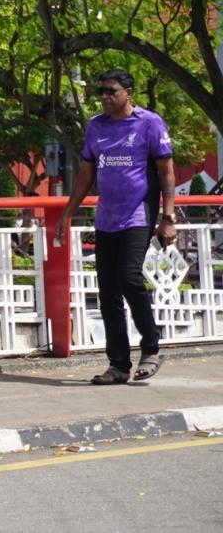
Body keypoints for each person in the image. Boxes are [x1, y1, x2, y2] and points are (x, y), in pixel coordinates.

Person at [54, 69, 175, 385]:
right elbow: (86, 175)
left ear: (128, 92)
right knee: (108, 291)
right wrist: (67, 213)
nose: (105, 97)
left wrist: (168, 217)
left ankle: (151, 347)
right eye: (101, 92)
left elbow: (166, 172)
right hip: (107, 217)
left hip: (139, 214)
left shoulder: (150, 123)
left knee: (129, 277)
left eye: (111, 91)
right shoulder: (96, 126)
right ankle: (119, 365)